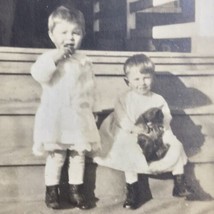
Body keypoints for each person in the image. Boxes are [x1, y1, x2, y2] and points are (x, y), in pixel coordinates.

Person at [94, 54, 191, 209]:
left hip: (155, 132)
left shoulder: (158, 99)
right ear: (128, 81)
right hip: (130, 132)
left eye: (146, 78)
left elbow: (166, 117)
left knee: (176, 145)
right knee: (129, 149)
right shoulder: (124, 99)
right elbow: (121, 118)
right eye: (137, 79)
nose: (142, 83)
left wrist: (159, 129)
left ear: (153, 78)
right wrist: (134, 129)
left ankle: (179, 182)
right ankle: (133, 188)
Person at [31, 6, 100, 210]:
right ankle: (52, 190)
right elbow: (39, 74)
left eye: (75, 33)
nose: (70, 38)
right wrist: (56, 58)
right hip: (56, 117)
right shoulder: (49, 57)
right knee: (57, 155)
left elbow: (91, 88)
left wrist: (94, 108)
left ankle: (75, 190)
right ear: (52, 35)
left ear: (83, 35)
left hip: (79, 116)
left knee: (78, 154)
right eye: (64, 33)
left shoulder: (84, 61)